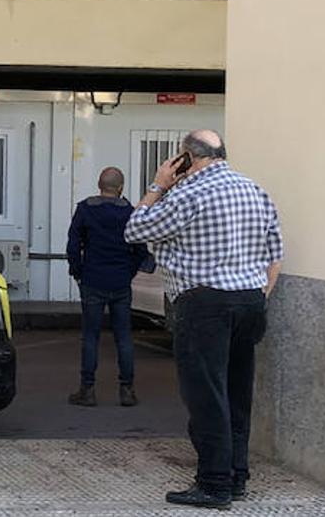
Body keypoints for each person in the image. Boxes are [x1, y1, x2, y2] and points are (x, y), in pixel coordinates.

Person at [125, 129, 283, 510]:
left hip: (204, 304)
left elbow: (134, 229)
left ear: (186, 158)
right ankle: (237, 476)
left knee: (206, 396)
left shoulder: (187, 193)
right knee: (237, 392)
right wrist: (257, 295)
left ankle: (213, 485)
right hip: (249, 301)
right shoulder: (254, 190)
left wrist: (158, 184)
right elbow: (275, 250)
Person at [66, 166, 155, 409]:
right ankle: (126, 390)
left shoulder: (85, 209)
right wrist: (128, 272)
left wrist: (78, 271)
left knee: (91, 337)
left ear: (99, 184)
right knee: (124, 337)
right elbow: (140, 251)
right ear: (121, 187)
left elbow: (73, 245)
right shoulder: (130, 212)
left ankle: (88, 390)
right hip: (120, 282)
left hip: (93, 280)